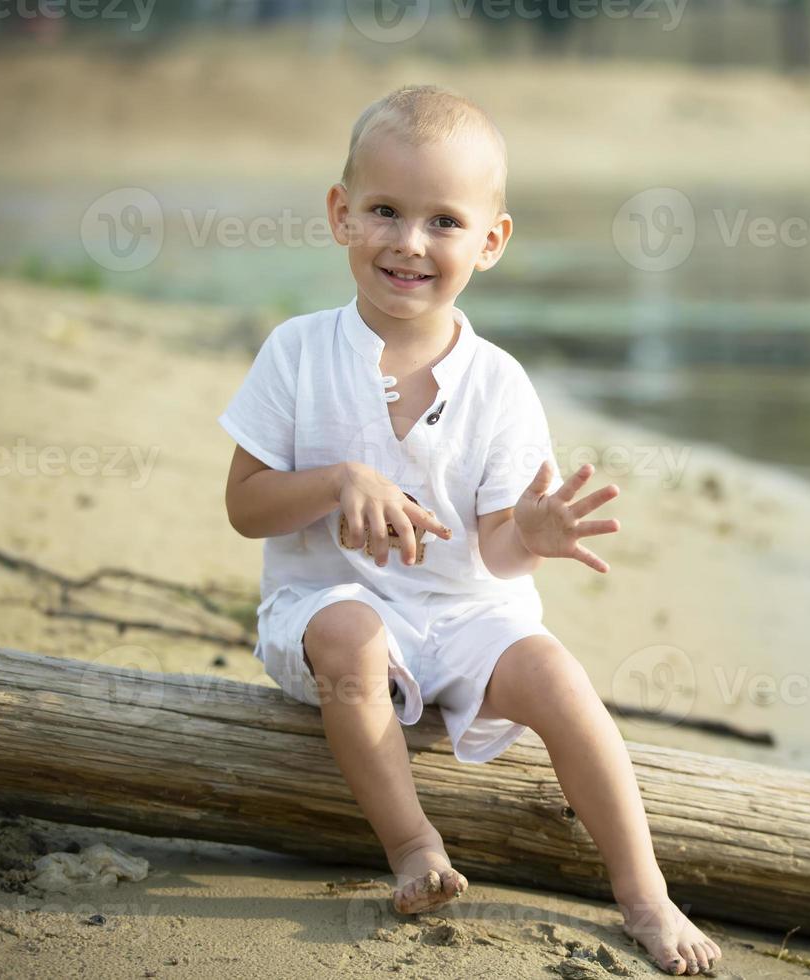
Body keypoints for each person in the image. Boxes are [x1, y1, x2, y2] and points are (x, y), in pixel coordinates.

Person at [218, 84, 720, 977]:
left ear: (490, 242)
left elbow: (492, 552)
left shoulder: (498, 383)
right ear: (341, 214)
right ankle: (414, 847)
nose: (409, 242)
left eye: (444, 221)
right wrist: (338, 483)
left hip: (461, 616)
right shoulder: (296, 353)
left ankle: (646, 894)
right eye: (384, 211)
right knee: (351, 632)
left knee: (559, 675)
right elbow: (245, 506)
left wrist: (532, 528)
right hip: (325, 606)